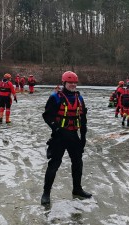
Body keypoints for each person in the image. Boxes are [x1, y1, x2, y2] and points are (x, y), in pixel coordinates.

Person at [41, 71, 91, 205]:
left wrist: (83, 137)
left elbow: (83, 118)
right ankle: (46, 193)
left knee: (78, 163)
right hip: (59, 136)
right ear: (64, 83)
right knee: (54, 165)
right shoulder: (55, 97)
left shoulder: (79, 98)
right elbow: (47, 116)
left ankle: (77, 189)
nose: (73, 85)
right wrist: (56, 129)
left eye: (75, 82)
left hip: (74, 136)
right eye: (70, 82)